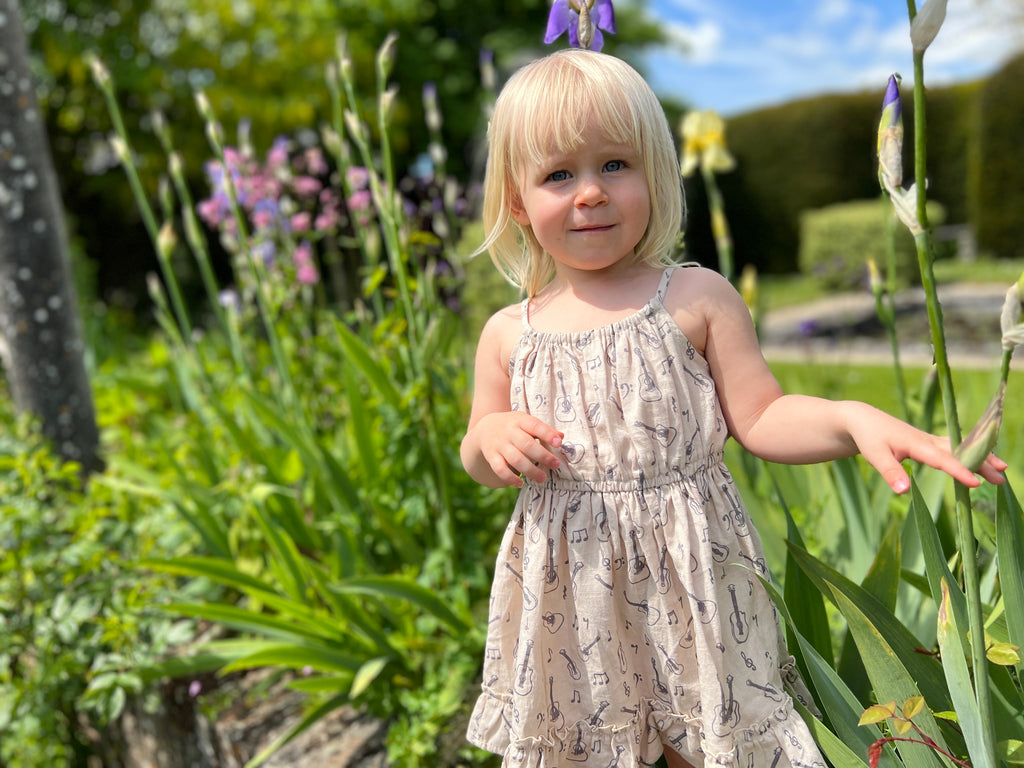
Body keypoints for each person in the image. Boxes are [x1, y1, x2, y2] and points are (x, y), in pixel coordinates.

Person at [459, 48, 1006, 768]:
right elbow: (477, 453)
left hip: (694, 575)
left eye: (614, 166)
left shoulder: (694, 298)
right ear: (519, 203)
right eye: (559, 174)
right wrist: (493, 436)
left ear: (654, 176)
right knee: (588, 740)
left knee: (709, 733)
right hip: (575, 584)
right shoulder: (511, 332)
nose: (589, 192)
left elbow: (762, 418)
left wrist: (851, 418)